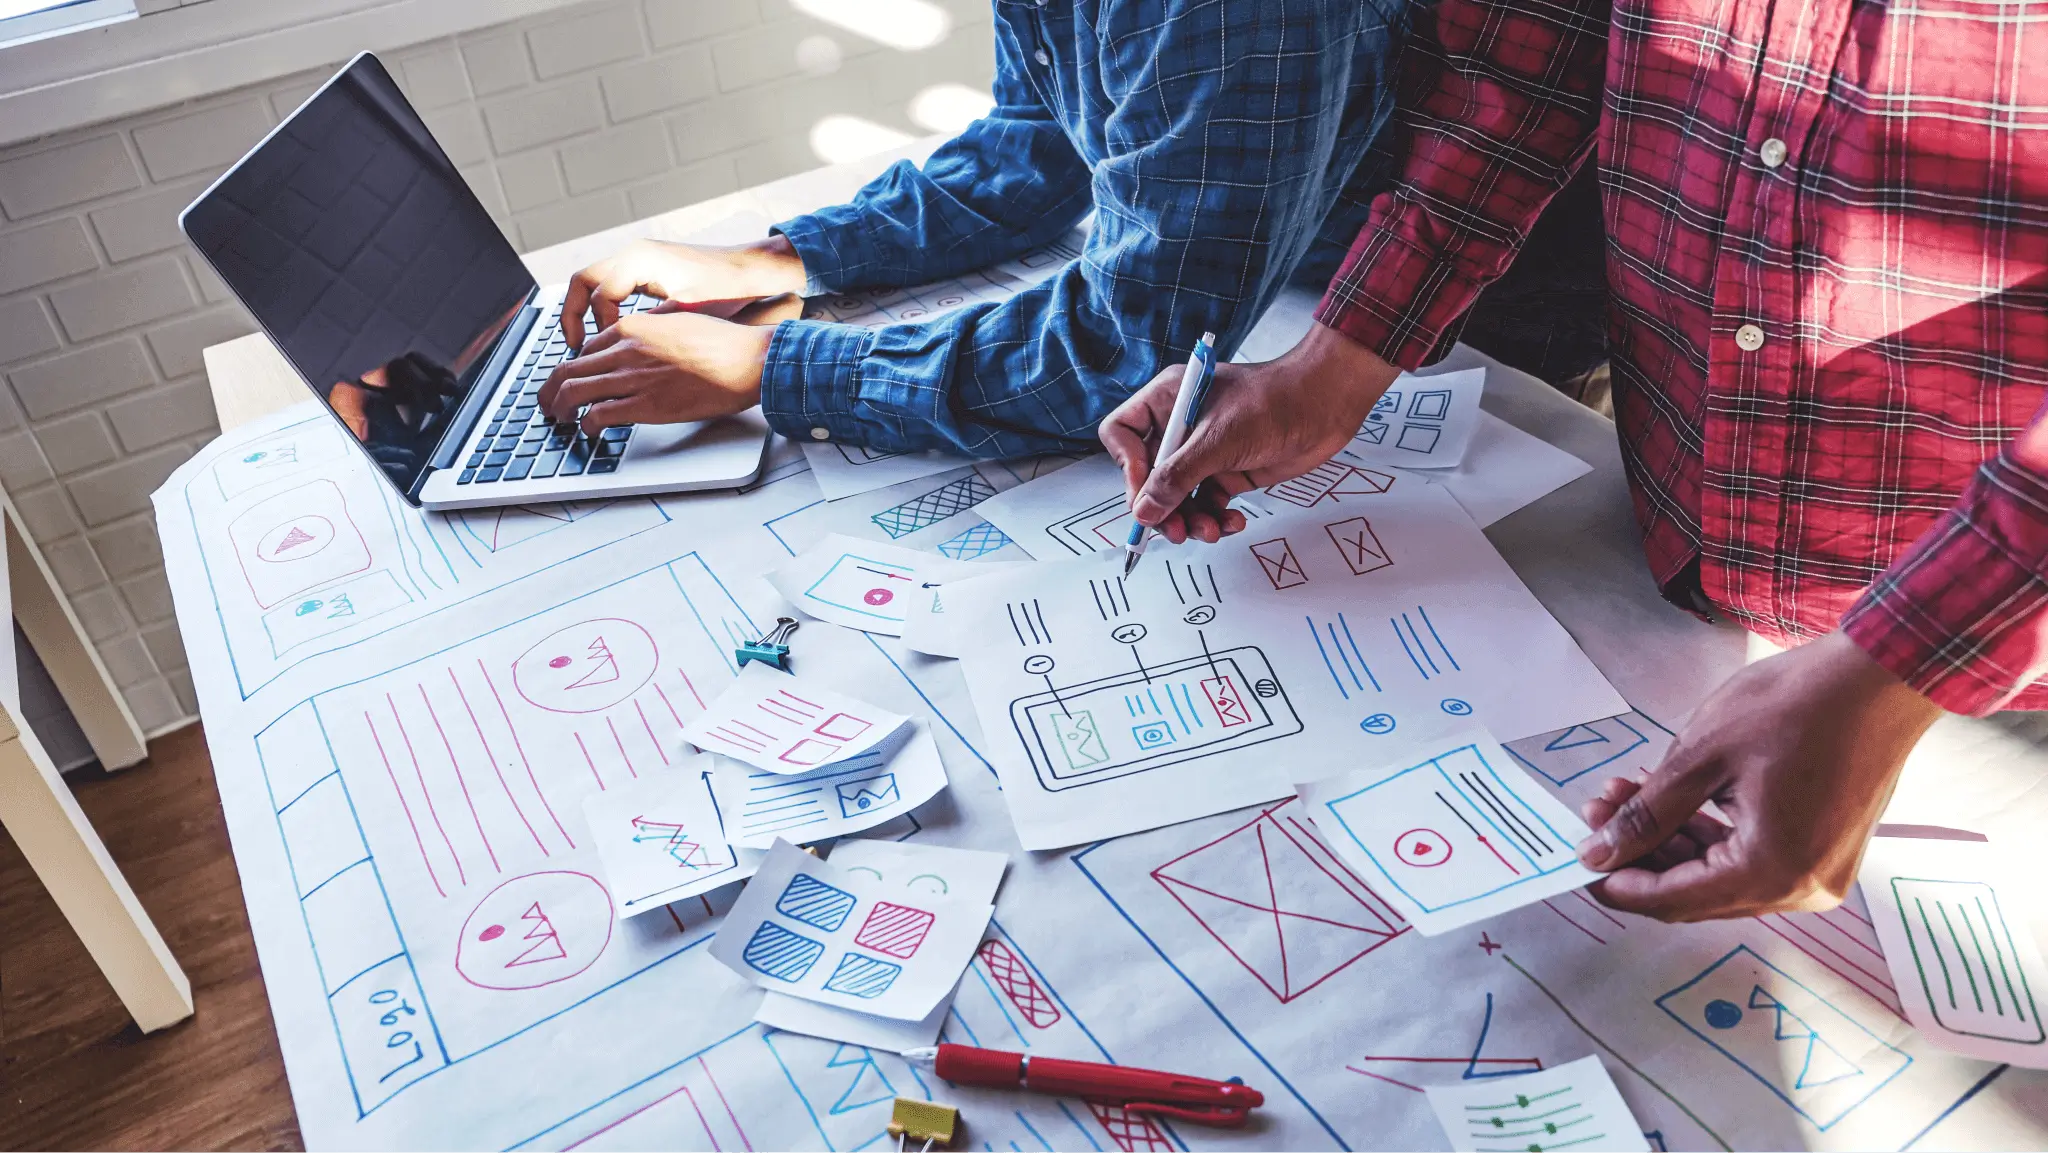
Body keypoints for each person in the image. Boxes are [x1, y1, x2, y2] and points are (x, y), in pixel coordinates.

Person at [1100, 0, 2048, 922]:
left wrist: (1899, 669)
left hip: (2003, 654)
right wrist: (1336, 361)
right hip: (1674, 521)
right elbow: (1530, 41)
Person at [536, 0, 1422, 457]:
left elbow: (1129, 348)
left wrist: (769, 367)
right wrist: (777, 257)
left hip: (1458, 345)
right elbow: (1039, 143)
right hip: (1288, 288)